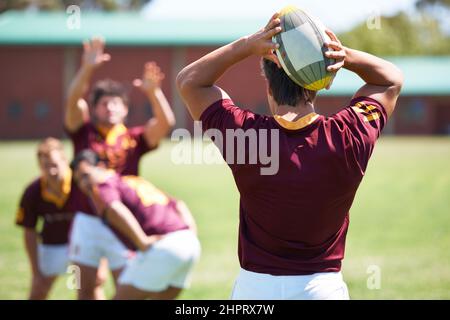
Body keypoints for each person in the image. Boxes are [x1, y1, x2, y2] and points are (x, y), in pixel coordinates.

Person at [176, 12, 403, 299]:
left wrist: (247, 45)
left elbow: (190, 82)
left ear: (269, 87)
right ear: (323, 83)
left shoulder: (245, 135)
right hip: (322, 289)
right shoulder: (349, 133)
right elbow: (391, 80)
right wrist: (341, 55)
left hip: (254, 290)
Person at [64, 37, 176, 299]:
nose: (111, 107)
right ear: (93, 109)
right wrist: (87, 68)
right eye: (104, 103)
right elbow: (72, 103)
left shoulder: (133, 138)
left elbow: (165, 123)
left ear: (125, 110)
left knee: (126, 288)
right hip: (87, 219)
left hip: (123, 219)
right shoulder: (84, 132)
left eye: (116, 103)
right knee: (86, 290)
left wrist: (153, 92)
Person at [70, 150, 200, 300]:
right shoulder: (132, 180)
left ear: (100, 166)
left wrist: (141, 241)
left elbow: (114, 208)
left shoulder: (104, 185)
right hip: (189, 245)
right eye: (79, 180)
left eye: (86, 175)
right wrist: (191, 234)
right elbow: (179, 204)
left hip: (163, 247)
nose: (84, 184)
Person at [15, 138, 105, 299]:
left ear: (65, 162)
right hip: (52, 245)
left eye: (55, 165)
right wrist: (36, 271)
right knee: (39, 287)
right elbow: (29, 231)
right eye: (45, 166)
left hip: (81, 246)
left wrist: (102, 264)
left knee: (89, 289)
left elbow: (101, 223)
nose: (51, 171)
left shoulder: (81, 185)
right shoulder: (33, 191)